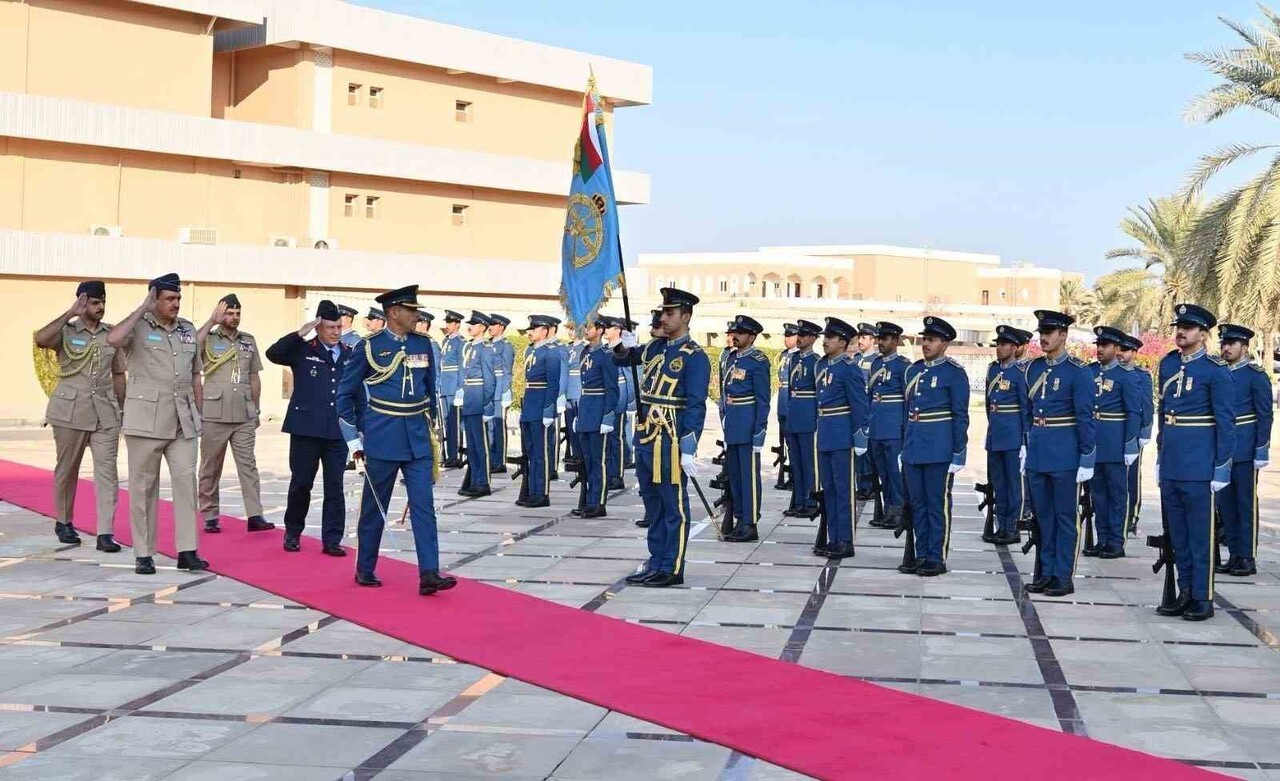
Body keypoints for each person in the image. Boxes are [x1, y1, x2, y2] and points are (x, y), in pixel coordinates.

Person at [338, 284, 454, 595]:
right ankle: (365, 567)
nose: (416, 315)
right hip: (382, 435)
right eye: (411, 310)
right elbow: (345, 395)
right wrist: (353, 440)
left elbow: (430, 391)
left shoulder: (423, 344)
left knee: (424, 507)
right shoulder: (369, 346)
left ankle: (429, 572)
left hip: (416, 436)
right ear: (393, 313)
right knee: (375, 508)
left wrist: (435, 433)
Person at [106, 273, 208, 575]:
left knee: (186, 485)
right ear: (154, 299)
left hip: (182, 420)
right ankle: (144, 553)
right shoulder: (137, 326)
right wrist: (143, 307)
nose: (176, 304)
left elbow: (194, 375)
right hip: (145, 422)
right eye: (169, 299)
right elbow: (112, 340)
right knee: (143, 489)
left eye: (178, 299)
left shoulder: (187, 330)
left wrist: (199, 414)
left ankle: (187, 551)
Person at [616, 288, 710, 587]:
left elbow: (696, 404)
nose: (664, 318)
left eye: (670, 313)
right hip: (646, 435)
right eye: (662, 312)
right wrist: (624, 345)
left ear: (686, 316)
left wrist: (689, 448)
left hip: (669, 439)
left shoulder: (694, 357)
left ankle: (672, 566)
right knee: (652, 504)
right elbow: (624, 359)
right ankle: (655, 561)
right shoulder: (657, 348)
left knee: (673, 506)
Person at [34, 281, 126, 551]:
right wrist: (70, 312)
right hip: (70, 411)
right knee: (67, 469)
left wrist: (122, 410)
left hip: (105, 413)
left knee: (108, 473)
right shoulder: (66, 330)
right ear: (82, 303)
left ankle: (105, 532)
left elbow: (119, 374)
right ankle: (64, 522)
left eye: (102, 302)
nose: (100, 308)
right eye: (95, 303)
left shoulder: (111, 335)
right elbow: (41, 339)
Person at [1156, 304, 1234, 620]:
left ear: (1203, 333)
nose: (1181, 332)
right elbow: (1164, 416)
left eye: (1188, 327)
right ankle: (1185, 590)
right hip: (1173, 462)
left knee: (1200, 536)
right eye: (1178, 326)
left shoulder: (1215, 370)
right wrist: (1160, 457)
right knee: (1178, 534)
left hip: (1200, 465)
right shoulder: (1168, 364)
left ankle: (1203, 596)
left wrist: (1221, 467)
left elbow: (1226, 423)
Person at [265, 300, 353, 555]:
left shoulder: (349, 353)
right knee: (302, 483)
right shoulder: (302, 350)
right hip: (306, 429)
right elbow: (274, 353)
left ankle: (332, 539)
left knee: (335, 487)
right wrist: (301, 332)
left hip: (337, 431)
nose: (336, 332)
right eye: (330, 327)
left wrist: (358, 427)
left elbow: (356, 391)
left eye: (338, 326)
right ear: (318, 327)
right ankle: (293, 532)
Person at [1022, 310, 1096, 597]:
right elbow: (1028, 413)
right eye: (1041, 332)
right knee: (1042, 516)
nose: (1044, 337)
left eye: (1050, 333)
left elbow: (1085, 417)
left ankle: (1062, 576)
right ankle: (1044, 572)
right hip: (1039, 451)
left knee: (1064, 517)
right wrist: (1028, 445)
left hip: (1065, 453)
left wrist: (1086, 457)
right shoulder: (1034, 369)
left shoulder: (1078, 372)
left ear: (1063, 336)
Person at [196, 294, 274, 535]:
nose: (234, 318)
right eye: (229, 313)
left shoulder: (248, 341)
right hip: (214, 413)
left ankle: (255, 514)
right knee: (210, 467)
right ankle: (209, 514)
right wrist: (211, 321)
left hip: (243, 414)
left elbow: (253, 377)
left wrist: (256, 408)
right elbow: (189, 350)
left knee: (248, 466)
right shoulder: (208, 338)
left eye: (237, 313)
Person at [899, 317, 968, 576]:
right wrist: (903, 446)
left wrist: (958, 451)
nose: (926, 344)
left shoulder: (953, 373)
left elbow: (960, 415)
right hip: (914, 446)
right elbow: (906, 412)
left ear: (945, 343)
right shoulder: (913, 371)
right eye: (924, 339)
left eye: (932, 340)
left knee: (936, 504)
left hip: (939, 447)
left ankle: (936, 556)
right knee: (917, 503)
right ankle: (920, 552)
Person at [1216, 323, 1271, 578]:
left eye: (1231, 344)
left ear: (1244, 347)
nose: (1225, 348)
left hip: (1245, 448)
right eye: (1223, 343)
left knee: (1245, 504)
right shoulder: (1218, 373)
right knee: (1226, 506)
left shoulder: (1254, 375)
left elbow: (1264, 415)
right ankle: (1234, 554)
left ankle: (1247, 556)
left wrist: (1261, 449)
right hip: (1222, 451)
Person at [813, 318, 871, 559]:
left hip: (842, 433)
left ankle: (845, 540)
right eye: (825, 337)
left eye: (830, 337)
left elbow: (859, 405)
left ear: (843, 342)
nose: (825, 341)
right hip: (825, 431)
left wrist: (860, 438)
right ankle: (833, 536)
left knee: (843, 489)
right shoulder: (822, 365)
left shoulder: (849, 369)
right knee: (829, 489)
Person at [1084, 326, 1142, 559]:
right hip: (1095, 443)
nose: (1099, 349)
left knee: (1117, 495)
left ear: (1117, 348)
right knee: (1098, 495)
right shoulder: (1089, 372)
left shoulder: (1127, 376)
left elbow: (1133, 412)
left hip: (1115, 442)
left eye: (1104, 346)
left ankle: (1116, 541)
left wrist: (1130, 444)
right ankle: (1102, 538)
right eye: (1098, 345)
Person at [721, 315, 772, 542]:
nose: (735, 336)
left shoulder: (758, 361)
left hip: (748, 423)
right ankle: (739, 517)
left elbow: (763, 399)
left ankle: (749, 522)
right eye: (734, 332)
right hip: (733, 423)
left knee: (748, 477)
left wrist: (760, 430)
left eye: (740, 333)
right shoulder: (731, 358)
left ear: (752, 336)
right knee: (735, 476)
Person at [983, 325, 1031, 546]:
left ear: (1014, 348)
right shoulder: (993, 370)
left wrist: (1023, 439)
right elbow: (988, 404)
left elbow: (1025, 408)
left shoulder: (1021, 374)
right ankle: (1001, 524)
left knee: (1014, 485)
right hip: (996, 434)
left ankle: (1013, 526)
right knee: (998, 483)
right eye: (998, 344)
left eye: (1004, 345)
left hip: (1013, 435)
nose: (999, 348)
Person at [572, 315, 621, 518]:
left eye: (590, 327)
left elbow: (612, 389)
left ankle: (598, 502)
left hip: (599, 411)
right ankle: (588, 500)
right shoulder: (586, 352)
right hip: (586, 411)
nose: (586, 330)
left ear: (600, 330)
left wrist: (608, 417)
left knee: (599, 461)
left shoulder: (606, 355)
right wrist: (578, 414)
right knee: (588, 460)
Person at [867, 321, 910, 530]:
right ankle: (886, 510)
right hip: (876, 426)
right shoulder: (875, 364)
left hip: (894, 427)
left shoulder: (903, 366)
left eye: (884, 339)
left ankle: (898, 510)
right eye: (878, 339)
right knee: (882, 472)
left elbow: (908, 399)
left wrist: (905, 427)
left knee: (895, 472)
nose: (880, 343)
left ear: (895, 340)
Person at [518, 315, 563, 507]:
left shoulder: (550, 353)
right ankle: (532, 490)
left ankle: (541, 493)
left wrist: (548, 410)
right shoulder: (531, 351)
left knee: (541, 453)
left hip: (540, 407)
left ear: (545, 331)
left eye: (534, 329)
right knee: (531, 451)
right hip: (529, 405)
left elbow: (553, 385)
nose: (530, 332)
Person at [628, 309, 666, 529]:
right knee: (644, 473)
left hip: (661, 420)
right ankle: (651, 511)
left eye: (657, 326)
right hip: (645, 419)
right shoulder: (651, 347)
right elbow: (623, 359)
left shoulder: (674, 350)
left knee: (658, 472)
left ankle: (658, 513)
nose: (653, 330)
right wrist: (623, 346)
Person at [783, 320, 821, 519]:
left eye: (804, 335)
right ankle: (798, 500)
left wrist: (817, 418)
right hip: (795, 413)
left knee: (809, 461)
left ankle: (811, 499)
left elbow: (819, 393)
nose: (799, 338)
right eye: (799, 334)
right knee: (796, 461)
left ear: (813, 338)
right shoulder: (794, 359)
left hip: (808, 414)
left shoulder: (816, 361)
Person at [457, 312, 497, 497]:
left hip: (478, 399)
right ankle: (473, 481)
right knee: (472, 445)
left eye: (473, 324)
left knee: (481, 445)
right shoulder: (469, 346)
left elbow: (490, 379)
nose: (470, 326)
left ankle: (483, 482)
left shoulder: (485, 349)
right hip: (469, 399)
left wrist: (487, 405)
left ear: (482, 327)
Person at [1119, 335, 1154, 535]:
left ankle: (1132, 514)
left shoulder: (1141, 375)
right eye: (1119, 349)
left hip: (1132, 432)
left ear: (1134, 353)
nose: (1120, 354)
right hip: (1113, 432)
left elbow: (1147, 405)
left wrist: (1144, 432)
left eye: (1125, 350)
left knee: (1132, 477)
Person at [852, 323, 880, 501]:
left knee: (868, 452)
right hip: (855, 412)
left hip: (869, 411)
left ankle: (869, 485)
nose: (860, 341)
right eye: (859, 337)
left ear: (873, 340)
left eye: (864, 337)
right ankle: (860, 484)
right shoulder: (855, 359)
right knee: (857, 451)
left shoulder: (876, 361)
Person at [487, 314, 515, 474]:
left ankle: (500, 461)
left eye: (493, 325)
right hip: (489, 391)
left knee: (498, 427)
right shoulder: (488, 344)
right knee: (490, 427)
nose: (490, 327)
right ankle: (491, 459)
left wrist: (505, 391)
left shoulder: (506, 346)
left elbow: (507, 371)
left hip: (499, 390)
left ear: (501, 327)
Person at [438, 310, 465, 468]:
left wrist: (461, 387)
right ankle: (450, 454)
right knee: (448, 422)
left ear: (457, 324)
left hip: (454, 386)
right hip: (445, 386)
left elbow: (462, 366)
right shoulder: (446, 341)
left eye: (450, 323)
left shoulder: (460, 342)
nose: (447, 326)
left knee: (455, 423)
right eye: (447, 323)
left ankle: (457, 455)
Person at [776, 324, 798, 492]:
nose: (786, 339)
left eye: (790, 336)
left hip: (792, 406)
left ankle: (795, 476)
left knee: (794, 445)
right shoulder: (783, 355)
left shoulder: (798, 357)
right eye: (786, 335)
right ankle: (789, 474)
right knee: (786, 444)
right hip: (782, 405)